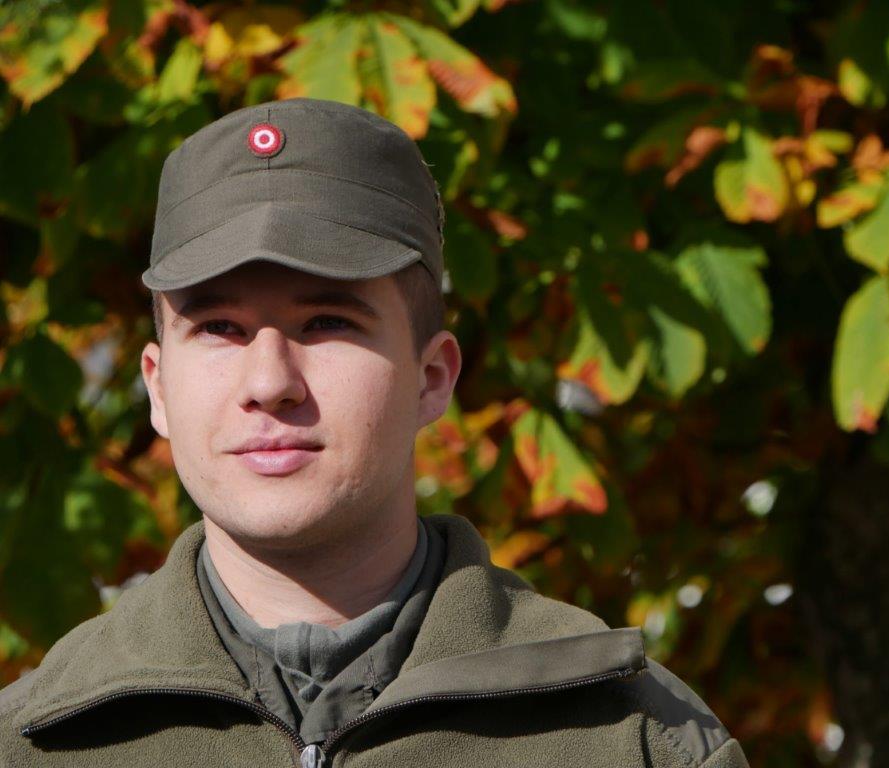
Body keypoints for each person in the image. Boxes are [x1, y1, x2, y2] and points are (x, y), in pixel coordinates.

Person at [0, 98, 749, 768]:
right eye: (219, 328)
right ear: (158, 386)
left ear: (433, 377)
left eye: (327, 321)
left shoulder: (635, 739)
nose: (270, 382)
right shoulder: (33, 743)